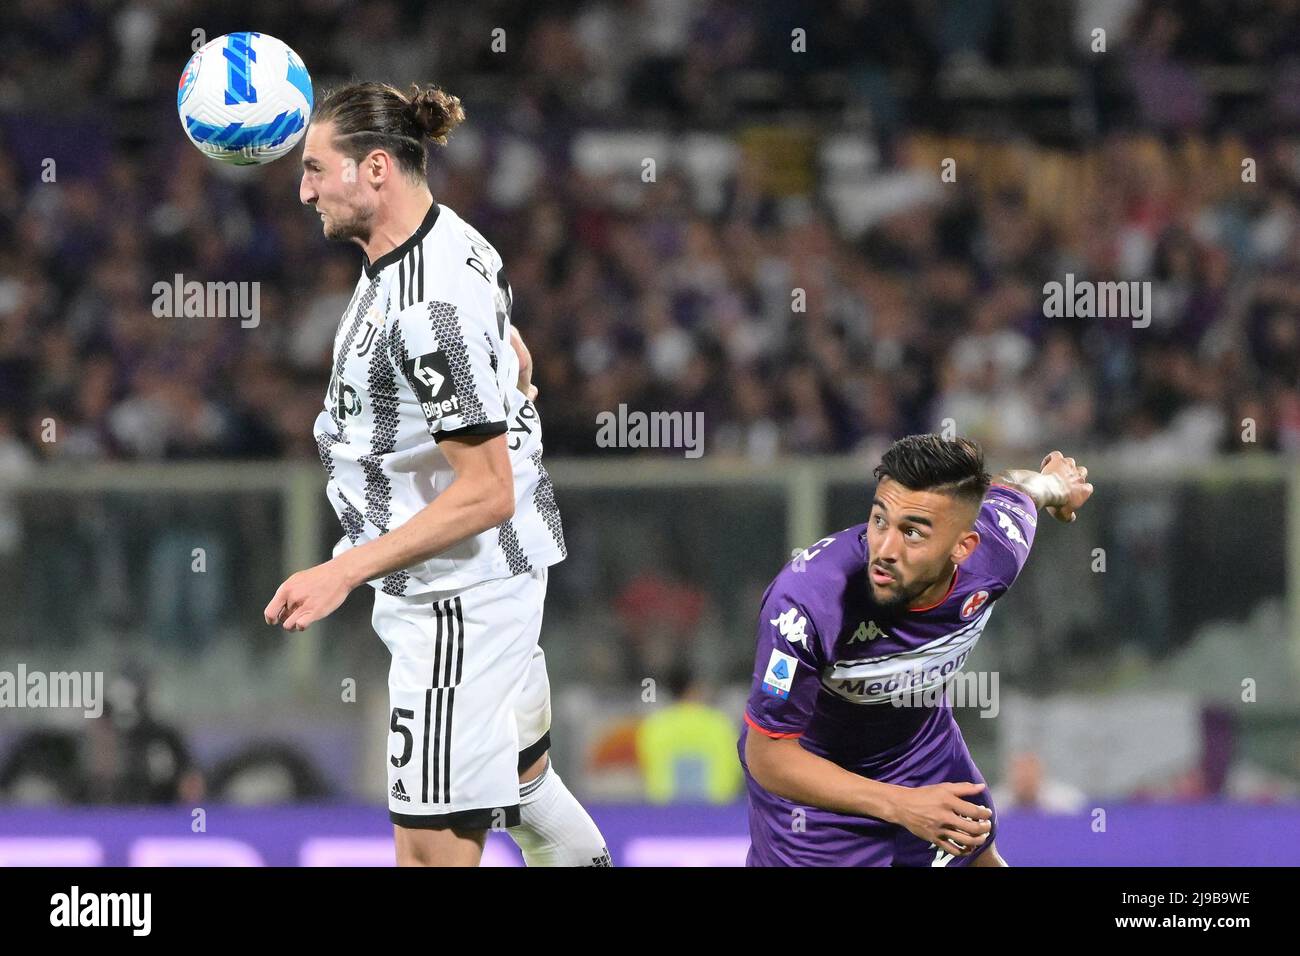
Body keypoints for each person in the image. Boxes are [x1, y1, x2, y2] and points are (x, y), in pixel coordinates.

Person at [264, 81, 609, 867]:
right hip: (494, 577)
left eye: (317, 168)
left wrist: (340, 571)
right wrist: (504, 372)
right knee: (523, 788)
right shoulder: (452, 239)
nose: (304, 188)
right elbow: (505, 350)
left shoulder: (426, 304)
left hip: (457, 601)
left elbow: (486, 491)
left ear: (375, 168)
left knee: (428, 851)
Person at [739, 434, 1093, 866]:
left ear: (963, 547)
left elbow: (1019, 488)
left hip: (921, 753)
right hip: (817, 792)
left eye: (912, 532)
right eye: (879, 520)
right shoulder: (807, 602)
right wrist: (901, 805)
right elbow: (767, 755)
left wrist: (1057, 486)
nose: (884, 550)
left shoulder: (997, 553)